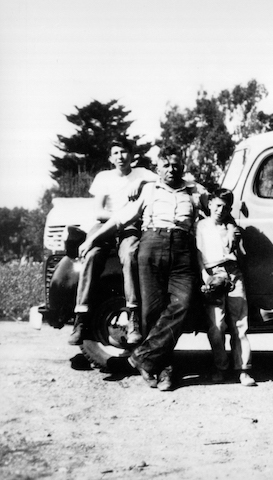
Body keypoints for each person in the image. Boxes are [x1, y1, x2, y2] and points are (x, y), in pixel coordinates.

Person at [78, 152, 208, 391]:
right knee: (152, 312)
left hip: (182, 250)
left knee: (184, 303)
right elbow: (120, 219)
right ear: (158, 169)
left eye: (176, 165)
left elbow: (214, 207)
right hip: (152, 246)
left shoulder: (194, 192)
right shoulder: (148, 191)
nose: (171, 169)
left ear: (183, 167)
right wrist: (92, 239)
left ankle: (142, 358)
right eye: (166, 165)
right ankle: (163, 370)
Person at [68, 140, 157, 346]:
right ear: (110, 158)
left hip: (129, 227)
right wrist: (120, 217)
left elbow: (163, 182)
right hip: (105, 225)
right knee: (90, 255)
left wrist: (142, 183)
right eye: (115, 153)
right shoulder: (103, 177)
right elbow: (98, 211)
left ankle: (133, 316)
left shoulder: (142, 173)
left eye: (124, 152)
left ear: (131, 155)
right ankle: (81, 319)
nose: (120, 156)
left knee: (130, 255)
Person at [196, 188, 256, 387]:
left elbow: (241, 252)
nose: (220, 210)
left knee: (239, 323)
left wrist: (233, 232)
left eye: (225, 207)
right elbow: (198, 253)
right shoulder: (200, 226)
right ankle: (220, 366)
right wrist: (204, 275)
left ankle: (243, 369)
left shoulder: (232, 227)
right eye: (217, 205)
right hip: (213, 273)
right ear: (210, 203)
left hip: (233, 272)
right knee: (216, 325)